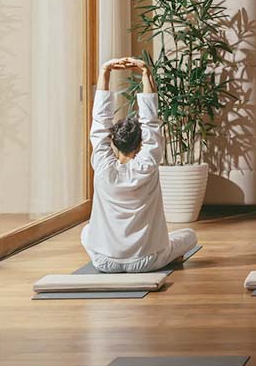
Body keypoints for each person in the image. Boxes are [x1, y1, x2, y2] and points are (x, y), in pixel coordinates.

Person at [81, 57, 197, 273]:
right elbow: (151, 122)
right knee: (189, 235)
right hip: (147, 261)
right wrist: (146, 72)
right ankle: (168, 254)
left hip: (105, 262)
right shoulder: (148, 163)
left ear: (113, 141)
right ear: (142, 142)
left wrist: (105, 72)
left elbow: (99, 124)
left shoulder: (103, 167)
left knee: (87, 231)